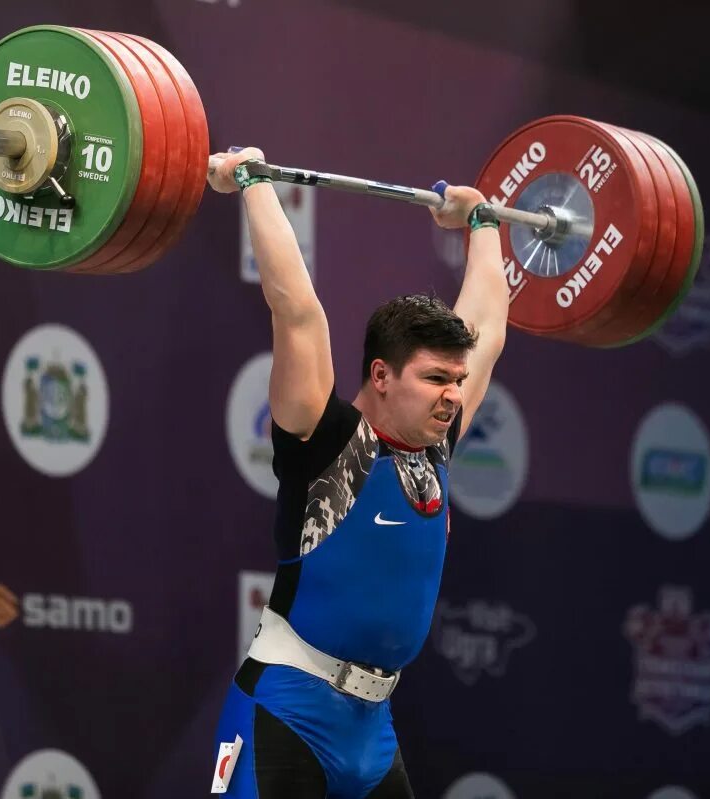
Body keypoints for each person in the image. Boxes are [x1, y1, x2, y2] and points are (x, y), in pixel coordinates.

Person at [207, 146, 509, 798]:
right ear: (381, 375)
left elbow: (486, 322)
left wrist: (483, 224)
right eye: (435, 378)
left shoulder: (435, 448)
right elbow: (297, 311)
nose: (454, 393)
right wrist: (254, 183)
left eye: (457, 379)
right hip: (287, 708)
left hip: (371, 729)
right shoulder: (328, 444)